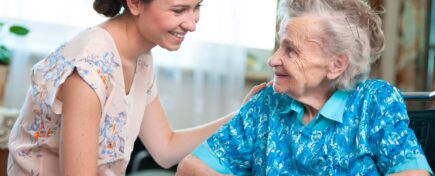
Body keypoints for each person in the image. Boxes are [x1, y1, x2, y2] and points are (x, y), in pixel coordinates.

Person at [7, 0, 266, 175]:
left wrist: (242, 116)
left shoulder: (140, 58)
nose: (192, 23)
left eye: (197, 6)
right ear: (134, 3)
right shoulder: (88, 69)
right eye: (178, 10)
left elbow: (165, 149)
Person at [175, 0, 434, 175]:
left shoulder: (375, 102)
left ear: (336, 65)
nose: (273, 59)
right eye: (280, 45)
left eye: (291, 50)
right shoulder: (268, 102)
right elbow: (190, 168)